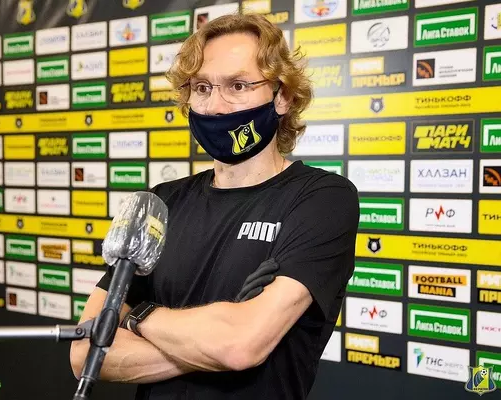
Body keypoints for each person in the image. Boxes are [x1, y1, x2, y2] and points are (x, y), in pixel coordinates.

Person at [70, 12, 359, 400]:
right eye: (202, 87)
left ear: (283, 96)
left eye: (237, 85)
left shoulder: (322, 198)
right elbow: (86, 351)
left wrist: (139, 315)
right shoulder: (160, 203)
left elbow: (239, 346)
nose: (216, 106)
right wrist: (213, 345)